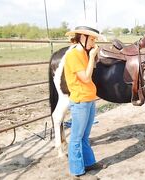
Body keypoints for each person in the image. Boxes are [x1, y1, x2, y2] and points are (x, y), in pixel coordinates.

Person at [64, 26, 106, 178]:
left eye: (94, 39)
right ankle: (77, 171)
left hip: (88, 99)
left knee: (84, 136)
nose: (94, 42)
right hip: (81, 100)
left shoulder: (83, 54)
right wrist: (93, 54)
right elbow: (86, 78)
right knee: (76, 137)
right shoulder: (73, 55)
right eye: (92, 39)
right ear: (83, 37)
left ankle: (89, 163)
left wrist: (92, 56)